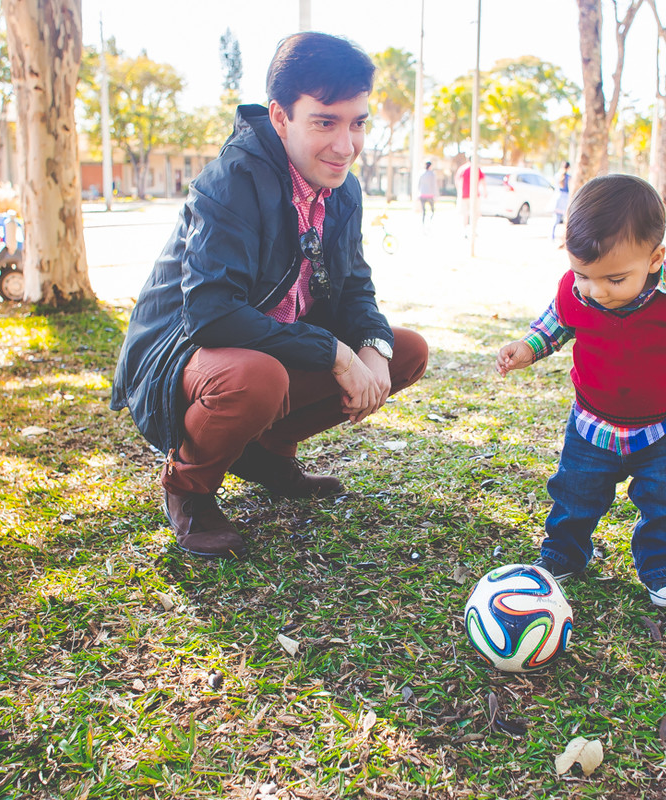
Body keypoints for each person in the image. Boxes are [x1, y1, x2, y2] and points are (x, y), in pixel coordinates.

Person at [110, 32, 429, 560]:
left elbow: (354, 283)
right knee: (259, 378)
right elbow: (211, 316)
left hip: (269, 347)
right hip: (183, 354)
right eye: (325, 121)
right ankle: (187, 488)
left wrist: (370, 345)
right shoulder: (232, 180)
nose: (346, 144)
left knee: (405, 351)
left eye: (357, 122)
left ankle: (267, 456)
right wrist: (333, 353)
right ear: (281, 117)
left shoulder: (343, 187)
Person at [495, 174, 666, 608]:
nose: (595, 291)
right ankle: (563, 554)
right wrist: (526, 349)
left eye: (614, 279)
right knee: (574, 493)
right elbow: (555, 326)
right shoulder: (577, 290)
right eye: (583, 276)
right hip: (592, 422)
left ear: (655, 259)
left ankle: (662, 566)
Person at [456, 161, 484, 234]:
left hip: (464, 195)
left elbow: (457, 182)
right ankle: (473, 230)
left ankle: (465, 230)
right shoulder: (476, 169)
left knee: (465, 214)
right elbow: (482, 180)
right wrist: (484, 191)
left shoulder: (462, 169)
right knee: (474, 213)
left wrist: (459, 192)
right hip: (474, 195)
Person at [551, 161, 570, 244]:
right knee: (565, 219)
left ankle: (552, 236)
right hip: (565, 198)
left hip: (557, 197)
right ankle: (563, 238)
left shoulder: (557, 175)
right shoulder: (569, 177)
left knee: (555, 219)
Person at [416, 160, 437, 225]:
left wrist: (418, 194)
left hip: (422, 194)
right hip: (430, 195)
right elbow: (434, 185)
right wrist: (436, 195)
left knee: (423, 211)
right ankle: (429, 221)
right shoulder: (432, 174)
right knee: (432, 210)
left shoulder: (421, 174)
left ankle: (423, 222)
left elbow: (418, 185)